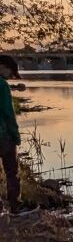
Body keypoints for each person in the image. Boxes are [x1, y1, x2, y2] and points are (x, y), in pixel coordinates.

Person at [0, 54, 28, 215]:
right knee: (12, 171)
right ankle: (16, 207)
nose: (10, 76)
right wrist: (16, 136)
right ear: (3, 66)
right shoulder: (2, 85)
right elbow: (8, 113)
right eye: (10, 73)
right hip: (3, 135)